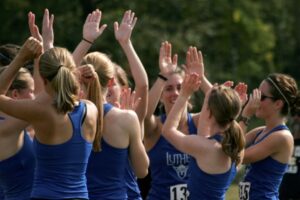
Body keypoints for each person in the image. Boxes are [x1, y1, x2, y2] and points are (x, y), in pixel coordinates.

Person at [0, 37, 99, 199]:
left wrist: (21, 58)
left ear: (44, 80)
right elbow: (66, 95)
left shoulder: (41, 112)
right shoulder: (91, 109)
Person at [144, 43, 205, 200]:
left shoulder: (199, 122)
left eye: (180, 87)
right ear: (161, 95)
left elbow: (222, 109)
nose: (175, 93)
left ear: (188, 90)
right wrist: (162, 76)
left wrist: (201, 79)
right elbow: (143, 115)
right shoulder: (156, 126)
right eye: (169, 88)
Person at [239, 73, 299, 200]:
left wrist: (245, 116)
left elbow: (238, 156)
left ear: (278, 104)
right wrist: (234, 109)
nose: (255, 100)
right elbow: (229, 144)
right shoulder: (259, 131)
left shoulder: (282, 136)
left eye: (261, 96)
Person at [0, 66, 35, 200]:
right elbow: (47, 100)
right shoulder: (10, 126)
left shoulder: (10, 124)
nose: (34, 97)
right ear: (15, 94)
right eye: (31, 91)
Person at [279, 112, 300, 200]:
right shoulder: (282, 141)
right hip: (280, 194)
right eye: (293, 114)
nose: (295, 118)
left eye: (299, 114)